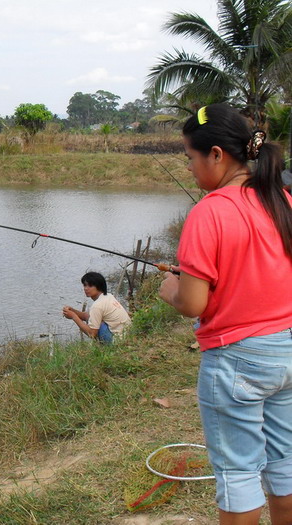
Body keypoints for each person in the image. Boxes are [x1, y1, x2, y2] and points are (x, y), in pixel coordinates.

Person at [159, 104, 292, 525]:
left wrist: (171, 290)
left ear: (216, 154)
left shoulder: (209, 212)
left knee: (238, 470)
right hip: (286, 351)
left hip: (237, 361)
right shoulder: (283, 199)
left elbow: (193, 305)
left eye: (190, 158)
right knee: (285, 461)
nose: (191, 169)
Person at [62, 271, 131, 343]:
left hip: (118, 341)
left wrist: (74, 317)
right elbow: (87, 316)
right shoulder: (108, 296)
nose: (86, 288)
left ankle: (105, 346)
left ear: (99, 287)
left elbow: (92, 334)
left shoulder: (97, 306)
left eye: (90, 286)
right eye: (85, 285)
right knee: (92, 318)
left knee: (96, 325)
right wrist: (72, 311)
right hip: (128, 335)